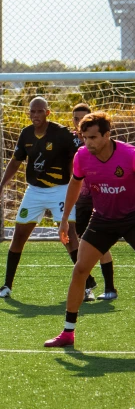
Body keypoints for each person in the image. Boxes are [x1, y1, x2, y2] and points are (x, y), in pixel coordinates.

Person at [45, 112, 134, 347]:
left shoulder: (130, 155)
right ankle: (67, 332)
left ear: (107, 135)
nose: (89, 142)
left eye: (94, 137)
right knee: (80, 270)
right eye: (85, 137)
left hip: (133, 217)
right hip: (103, 219)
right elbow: (75, 184)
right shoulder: (82, 156)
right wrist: (65, 219)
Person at [0, 97, 80, 298]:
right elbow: (15, 162)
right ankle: (6, 285)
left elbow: (79, 153)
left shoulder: (62, 133)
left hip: (60, 189)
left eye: (40, 111)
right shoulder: (26, 134)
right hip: (34, 191)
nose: (35, 115)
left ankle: (88, 284)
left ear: (48, 113)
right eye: (32, 112)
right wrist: (0, 188)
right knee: (19, 236)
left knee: (68, 237)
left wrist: (78, 182)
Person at [70, 103, 117, 301]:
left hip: (101, 199)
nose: (80, 121)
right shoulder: (70, 141)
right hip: (82, 199)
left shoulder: (105, 145)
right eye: (76, 118)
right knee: (79, 239)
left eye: (84, 117)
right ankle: (88, 285)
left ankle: (109, 287)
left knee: (100, 243)